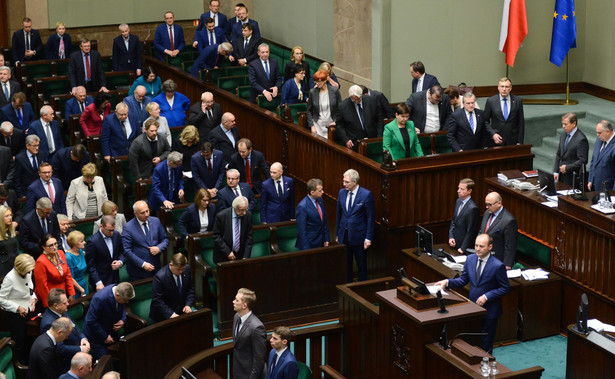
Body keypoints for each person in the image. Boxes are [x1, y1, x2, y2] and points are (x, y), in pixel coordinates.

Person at [435, 234, 509, 353]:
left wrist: (486, 296)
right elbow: (463, 280)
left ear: (490, 247)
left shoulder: (497, 265)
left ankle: (486, 366)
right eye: (476, 245)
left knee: (486, 344)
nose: (478, 249)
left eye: (481, 246)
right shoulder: (470, 259)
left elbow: (504, 288)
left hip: (489, 311)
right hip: (473, 308)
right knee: (472, 342)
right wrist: (447, 282)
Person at [336, 169, 375, 282]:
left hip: (360, 237)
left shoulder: (366, 195)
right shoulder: (341, 192)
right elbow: (338, 214)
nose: (344, 184)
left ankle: (362, 289)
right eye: (343, 181)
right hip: (345, 235)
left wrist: (368, 238)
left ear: (354, 182)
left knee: (361, 265)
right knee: (346, 265)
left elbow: (370, 218)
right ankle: (348, 288)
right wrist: (338, 233)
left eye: (346, 182)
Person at [40, 289, 90, 372]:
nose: (68, 304)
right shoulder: (49, 323)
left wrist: (83, 338)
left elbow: (74, 326)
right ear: (56, 305)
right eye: (64, 303)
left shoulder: (62, 311)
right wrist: (80, 349)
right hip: (66, 363)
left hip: (76, 354)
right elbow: (60, 349)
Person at [0, 254, 37, 363]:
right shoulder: (10, 278)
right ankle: (21, 366)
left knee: (31, 339)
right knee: (20, 343)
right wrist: (17, 308)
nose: (29, 273)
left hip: (29, 310)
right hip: (16, 316)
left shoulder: (28, 272)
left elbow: (30, 290)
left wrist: (33, 299)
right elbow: (1, 299)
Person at [83, 282, 134, 359]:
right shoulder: (100, 298)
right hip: (96, 336)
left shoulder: (120, 291)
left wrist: (123, 320)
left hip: (111, 331)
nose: (127, 302)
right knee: (107, 362)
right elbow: (91, 321)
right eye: (125, 300)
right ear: (117, 295)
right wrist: (104, 336)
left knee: (121, 355)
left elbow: (123, 306)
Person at [122, 200, 168, 281]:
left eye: (147, 211)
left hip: (156, 267)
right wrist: (142, 264)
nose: (146, 214)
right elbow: (126, 250)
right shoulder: (128, 227)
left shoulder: (156, 221)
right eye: (142, 213)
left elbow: (165, 239)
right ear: (135, 214)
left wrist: (159, 248)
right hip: (138, 271)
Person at [232, 288, 266, 379]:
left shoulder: (257, 327)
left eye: (236, 300)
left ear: (244, 305)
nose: (233, 301)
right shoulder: (236, 317)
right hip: (238, 370)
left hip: (249, 375)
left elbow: (259, 359)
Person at [149, 253, 194, 322]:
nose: (181, 272)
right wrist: (171, 314)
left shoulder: (187, 269)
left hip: (181, 310)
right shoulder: (160, 277)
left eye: (182, 269)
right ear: (171, 265)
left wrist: (188, 304)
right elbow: (157, 299)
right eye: (178, 269)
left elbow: (190, 288)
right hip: (164, 315)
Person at [34, 233, 76, 307]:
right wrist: (49, 305)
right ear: (43, 247)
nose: (54, 247)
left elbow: (68, 275)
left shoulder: (61, 253)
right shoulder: (40, 262)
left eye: (55, 244)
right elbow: (42, 287)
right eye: (51, 245)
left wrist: (71, 293)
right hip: (52, 298)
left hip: (62, 294)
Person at [336, 85, 383, 150]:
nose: (357, 101)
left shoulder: (371, 101)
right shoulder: (343, 106)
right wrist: (346, 139)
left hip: (372, 140)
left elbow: (379, 119)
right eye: (354, 100)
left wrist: (379, 137)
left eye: (358, 99)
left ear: (361, 95)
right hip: (354, 142)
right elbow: (339, 125)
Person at [480, 192, 518, 269]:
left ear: (499, 203)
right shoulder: (487, 213)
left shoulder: (509, 220)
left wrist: (507, 264)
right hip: (483, 255)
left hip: (497, 259)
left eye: (490, 205)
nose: (487, 207)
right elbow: (482, 231)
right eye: (486, 204)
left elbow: (510, 245)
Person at [87, 215, 125, 291]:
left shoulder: (116, 235)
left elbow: (122, 252)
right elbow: (90, 265)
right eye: (109, 230)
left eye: (113, 230)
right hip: (101, 280)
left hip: (115, 277)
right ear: (101, 226)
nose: (111, 233)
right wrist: (98, 282)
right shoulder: (93, 242)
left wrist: (120, 262)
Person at [483, 77, 524, 147]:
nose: (504, 89)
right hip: (496, 140)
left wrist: (520, 141)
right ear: (498, 87)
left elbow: (521, 122)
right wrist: (493, 134)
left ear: (510, 88)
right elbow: (485, 121)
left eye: (506, 87)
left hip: (512, 140)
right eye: (502, 86)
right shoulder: (491, 101)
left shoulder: (518, 101)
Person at [213, 196, 253, 264]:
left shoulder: (248, 215)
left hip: (240, 255)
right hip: (224, 255)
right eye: (242, 210)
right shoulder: (221, 216)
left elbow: (249, 237)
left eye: (246, 209)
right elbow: (216, 236)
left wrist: (246, 256)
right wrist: (227, 252)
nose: (244, 213)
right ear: (235, 208)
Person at [554, 112, 589, 186]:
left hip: (572, 179)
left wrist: (567, 168)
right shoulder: (563, 135)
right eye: (562, 124)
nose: (563, 126)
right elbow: (559, 154)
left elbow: (583, 161)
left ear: (574, 124)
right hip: (561, 176)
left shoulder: (581, 139)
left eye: (566, 124)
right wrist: (556, 171)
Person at [306, 70, 342, 138]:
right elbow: (309, 111)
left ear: (325, 80)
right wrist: (312, 126)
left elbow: (340, 109)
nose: (317, 83)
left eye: (319, 81)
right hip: (317, 124)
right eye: (315, 81)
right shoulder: (312, 92)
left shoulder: (334, 91)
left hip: (331, 124)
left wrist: (336, 121)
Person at [296, 178, 329, 250]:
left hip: (321, 241)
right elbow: (302, 230)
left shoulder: (320, 200)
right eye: (320, 191)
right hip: (310, 244)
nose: (323, 192)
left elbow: (324, 221)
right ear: (312, 192)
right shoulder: (302, 206)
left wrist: (326, 238)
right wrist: (306, 248)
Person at [448, 178, 479, 254]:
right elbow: (454, 221)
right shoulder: (458, 201)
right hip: (454, 242)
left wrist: (463, 248)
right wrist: (451, 236)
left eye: (462, 189)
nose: (458, 191)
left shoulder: (473, 208)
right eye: (458, 188)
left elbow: (471, 231)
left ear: (469, 191)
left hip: (463, 247)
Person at [588, 120, 615, 191]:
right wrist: (591, 179)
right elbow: (594, 161)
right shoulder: (599, 140)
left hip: (608, 189)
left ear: (608, 132)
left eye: (599, 133)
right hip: (594, 186)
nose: (597, 135)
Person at [65, 231, 88, 298]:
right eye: (82, 241)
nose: (84, 242)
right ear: (75, 243)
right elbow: (70, 278)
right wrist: (81, 290)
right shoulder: (68, 257)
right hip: (75, 288)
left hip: (83, 284)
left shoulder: (80, 251)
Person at [0, 206, 18, 276]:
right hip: (2, 270)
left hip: (14, 266)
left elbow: (16, 249)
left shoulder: (11, 230)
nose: (10, 218)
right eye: (7, 216)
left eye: (11, 215)